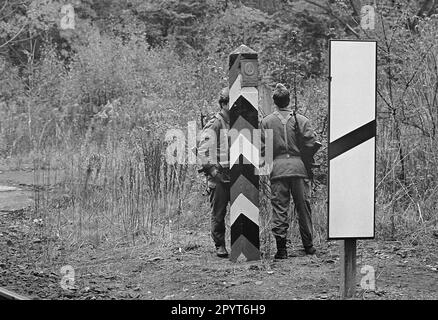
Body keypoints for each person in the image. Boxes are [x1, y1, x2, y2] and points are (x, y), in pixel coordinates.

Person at [261, 83, 318, 259]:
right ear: (289, 100)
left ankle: (282, 250)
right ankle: (308, 247)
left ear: (275, 102)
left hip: (278, 170)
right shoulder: (301, 120)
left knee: (279, 208)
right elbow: (311, 143)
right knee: (304, 208)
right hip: (299, 169)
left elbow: (264, 150)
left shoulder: (266, 122)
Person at [197, 87, 230, 258]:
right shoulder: (216, 123)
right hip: (219, 177)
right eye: (231, 103)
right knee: (218, 213)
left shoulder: (237, 122)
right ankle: (220, 245)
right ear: (224, 104)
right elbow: (202, 151)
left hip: (235, 175)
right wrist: (213, 171)